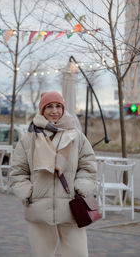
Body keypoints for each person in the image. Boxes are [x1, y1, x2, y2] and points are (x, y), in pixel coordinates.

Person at [9, 91, 97, 257]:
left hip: (71, 208)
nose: (54, 110)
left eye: (58, 106)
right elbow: (18, 171)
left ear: (63, 109)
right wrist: (28, 193)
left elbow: (88, 166)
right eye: (49, 106)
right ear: (42, 110)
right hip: (39, 209)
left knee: (78, 254)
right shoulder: (29, 139)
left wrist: (81, 187)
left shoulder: (76, 136)